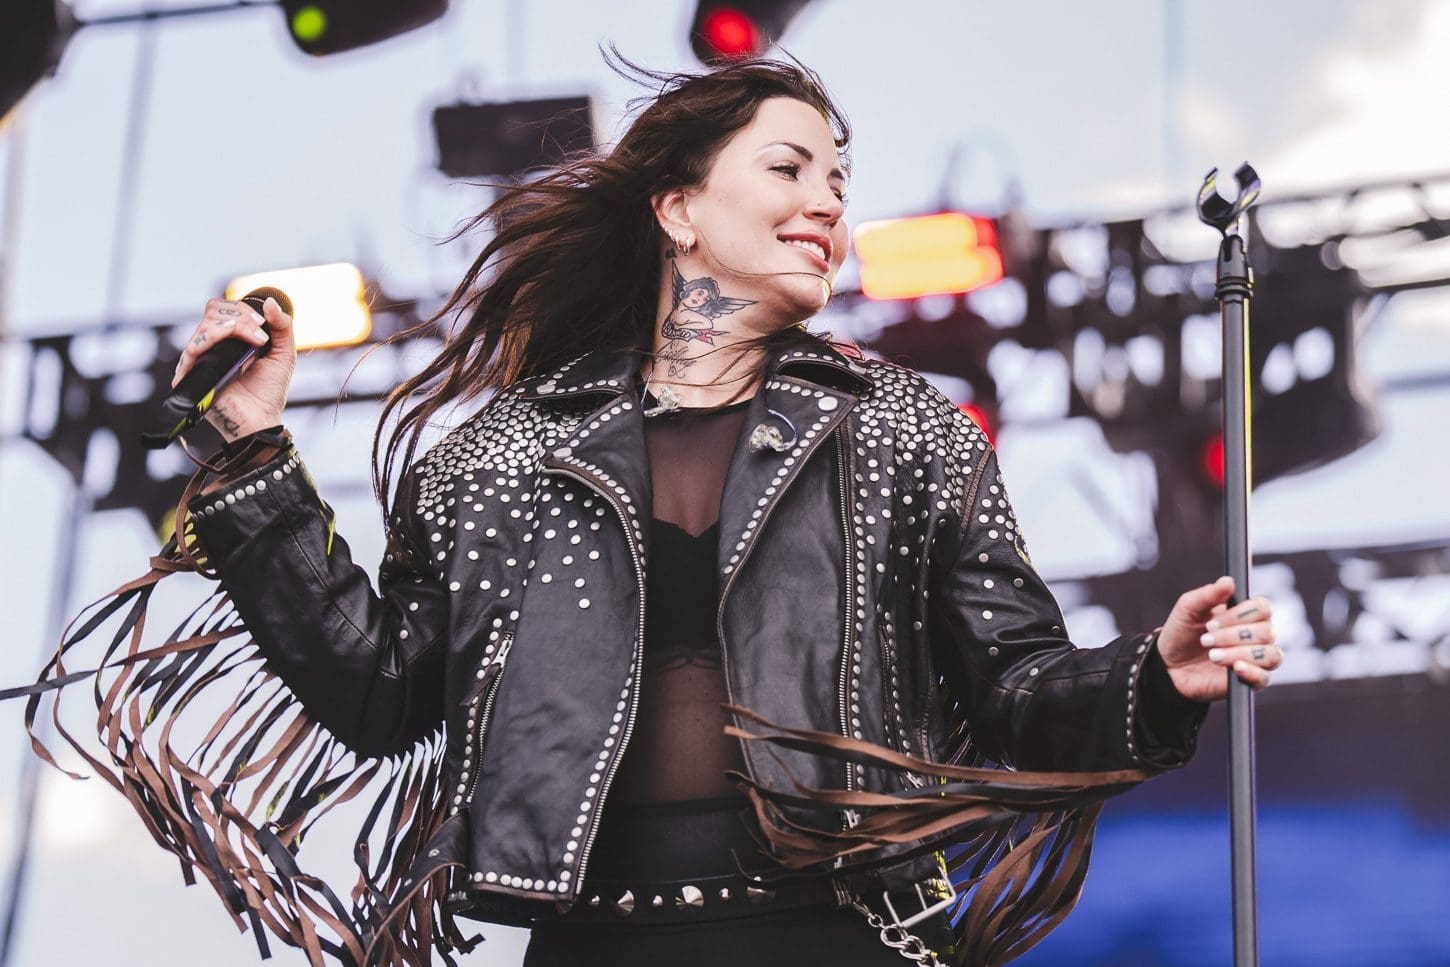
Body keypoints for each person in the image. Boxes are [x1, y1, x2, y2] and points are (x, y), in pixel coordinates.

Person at [36, 57, 1279, 967]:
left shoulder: (903, 428)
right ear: (678, 210)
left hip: (840, 933)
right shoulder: (498, 455)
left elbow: (1013, 691)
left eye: (839, 180)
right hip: (598, 941)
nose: (827, 203)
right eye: (788, 168)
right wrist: (247, 450)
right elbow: (376, 692)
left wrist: (1153, 676)